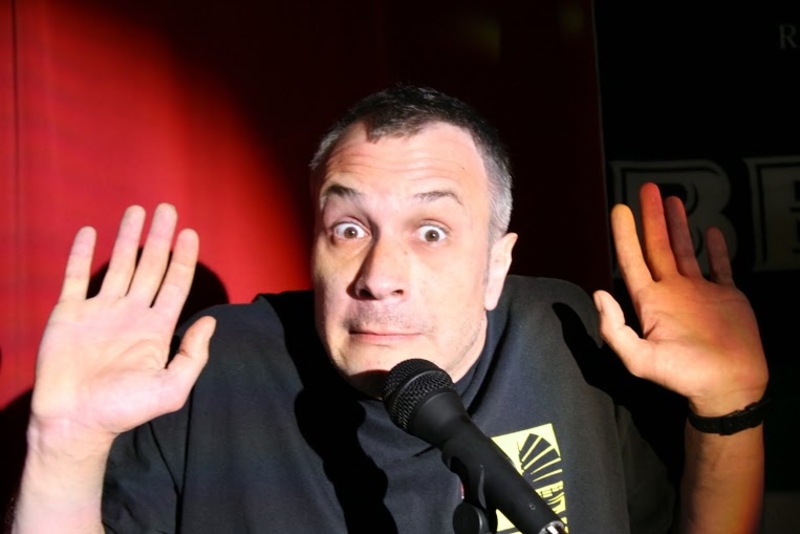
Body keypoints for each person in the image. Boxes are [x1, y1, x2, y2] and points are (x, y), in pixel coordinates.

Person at [10, 86, 768, 533]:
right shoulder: (210, 370)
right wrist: (62, 447)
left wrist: (731, 407)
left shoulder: (562, 339)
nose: (379, 277)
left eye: (431, 231)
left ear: (496, 266)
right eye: (349, 229)